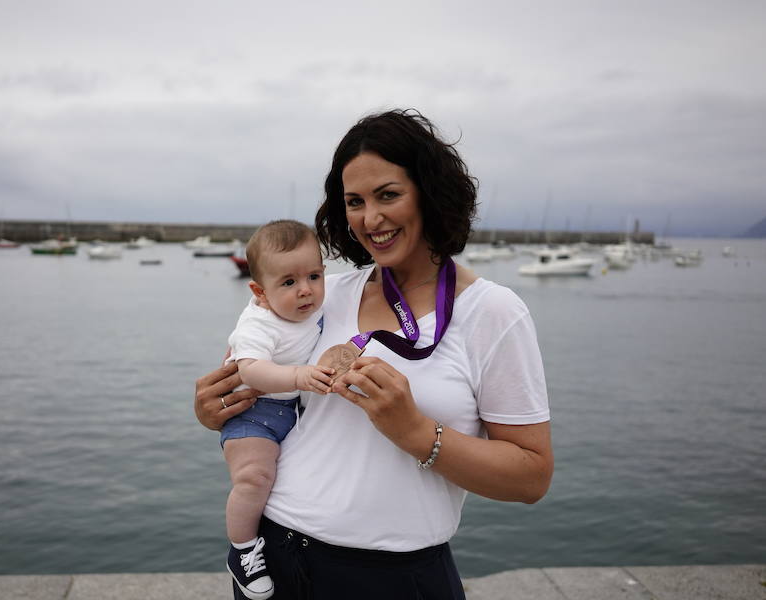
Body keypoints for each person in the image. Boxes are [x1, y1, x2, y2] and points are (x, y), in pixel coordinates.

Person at [195, 109, 553, 600]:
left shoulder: (492, 312)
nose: (370, 219)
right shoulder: (319, 293)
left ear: (429, 192)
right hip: (277, 554)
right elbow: (248, 380)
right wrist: (217, 408)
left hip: (397, 577)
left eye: (388, 195)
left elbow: (532, 477)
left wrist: (415, 431)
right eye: (354, 202)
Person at [220, 219, 334, 599]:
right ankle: (243, 550)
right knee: (253, 478)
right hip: (254, 412)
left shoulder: (320, 305)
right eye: (288, 283)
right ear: (260, 292)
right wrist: (298, 376)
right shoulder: (259, 322)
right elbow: (248, 369)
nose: (305, 291)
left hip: (292, 414)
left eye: (314, 276)